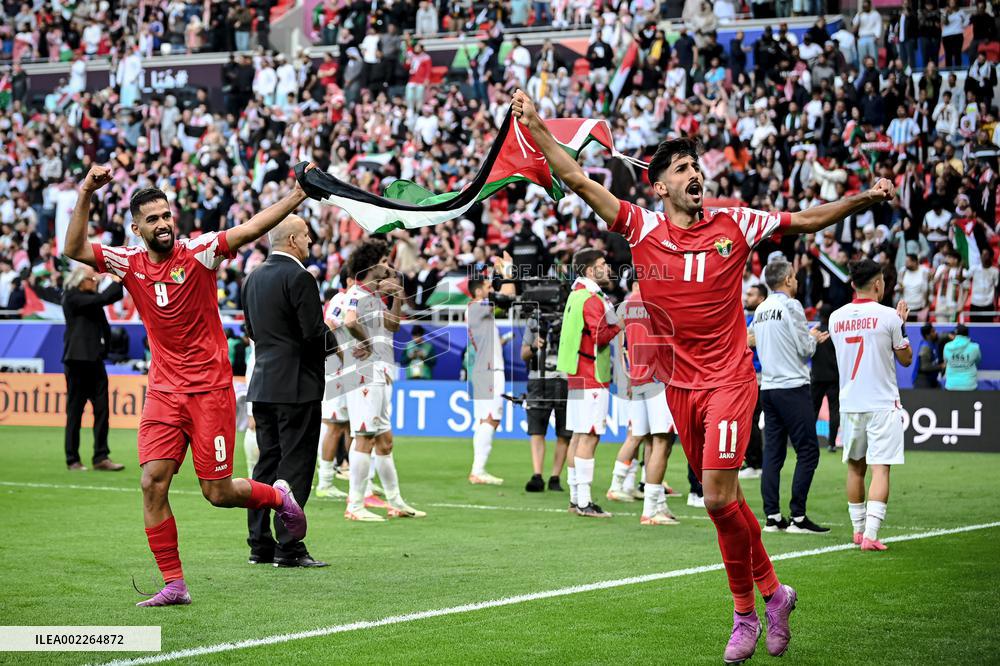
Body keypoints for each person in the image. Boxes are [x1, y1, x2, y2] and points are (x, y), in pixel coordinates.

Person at [512, 88, 895, 662]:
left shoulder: (736, 222)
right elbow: (579, 180)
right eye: (683, 169)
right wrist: (539, 129)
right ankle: (774, 593)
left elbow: (807, 219)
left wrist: (864, 197)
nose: (696, 174)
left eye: (697, 166)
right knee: (723, 503)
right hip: (679, 386)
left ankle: (744, 613)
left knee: (717, 495)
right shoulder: (640, 227)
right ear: (659, 185)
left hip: (731, 380)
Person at [62, 164, 309, 607]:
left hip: (210, 390)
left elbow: (251, 227)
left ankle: (278, 496)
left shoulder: (199, 252)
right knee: (151, 482)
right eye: (152, 219)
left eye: (166, 215)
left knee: (216, 493)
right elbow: (73, 247)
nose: (163, 224)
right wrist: (85, 191)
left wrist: (297, 194)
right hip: (163, 392)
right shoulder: (128, 262)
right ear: (136, 228)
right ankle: (174, 583)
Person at [243, 215, 338, 569]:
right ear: (294, 240)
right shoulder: (299, 277)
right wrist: (337, 338)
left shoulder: (252, 278)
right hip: (297, 387)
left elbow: (251, 330)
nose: (311, 242)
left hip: (264, 383)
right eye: (308, 236)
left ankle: (259, 544)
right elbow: (313, 334)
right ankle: (289, 546)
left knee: (265, 464)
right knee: (295, 468)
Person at [829, 259, 912, 551]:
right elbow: (905, 359)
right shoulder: (890, 316)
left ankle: (857, 530)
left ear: (853, 284)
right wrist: (902, 325)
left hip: (850, 403)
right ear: (878, 284)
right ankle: (872, 535)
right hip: (881, 403)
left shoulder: (835, 318)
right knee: (880, 469)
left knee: (855, 469)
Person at [342, 239, 425, 521]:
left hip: (381, 372)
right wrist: (364, 342)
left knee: (385, 441)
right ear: (372, 264)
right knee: (364, 438)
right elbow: (350, 321)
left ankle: (395, 501)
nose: (389, 266)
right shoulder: (356, 293)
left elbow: (393, 325)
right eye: (385, 261)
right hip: (365, 374)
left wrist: (398, 296)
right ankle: (355, 506)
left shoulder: (375, 295)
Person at [749, 259, 829, 535]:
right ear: (787, 280)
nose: (796, 281)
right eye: (793, 277)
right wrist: (814, 338)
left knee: (773, 454)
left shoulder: (760, 309)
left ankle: (772, 516)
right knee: (808, 451)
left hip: (768, 387)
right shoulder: (791, 306)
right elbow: (805, 349)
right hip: (792, 386)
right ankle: (798, 517)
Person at [556, 248, 621, 518]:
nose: (607, 268)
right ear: (590, 269)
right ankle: (584, 501)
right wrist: (618, 322)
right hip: (593, 375)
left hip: (577, 374)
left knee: (578, 436)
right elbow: (600, 336)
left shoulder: (575, 294)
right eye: (603, 264)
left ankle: (575, 498)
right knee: (590, 436)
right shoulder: (592, 298)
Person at [608, 278, 680, 525]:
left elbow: (621, 342)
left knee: (648, 441)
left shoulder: (628, 304)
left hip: (637, 378)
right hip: (660, 378)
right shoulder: (658, 300)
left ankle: (657, 503)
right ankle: (650, 510)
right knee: (662, 442)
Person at [61, 265, 126, 472]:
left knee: (102, 410)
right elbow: (104, 299)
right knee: (75, 411)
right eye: (92, 279)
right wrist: (117, 281)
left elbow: (106, 310)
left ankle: (101, 456)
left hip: (95, 360)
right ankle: (72, 459)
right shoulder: (72, 297)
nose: (95, 282)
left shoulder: (90, 299)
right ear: (80, 280)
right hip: (78, 361)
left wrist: (105, 350)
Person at [466, 255, 516, 485]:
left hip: (482, 369)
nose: (490, 289)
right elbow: (508, 298)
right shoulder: (477, 307)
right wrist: (507, 272)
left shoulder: (476, 310)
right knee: (492, 419)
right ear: (478, 292)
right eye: (487, 286)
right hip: (490, 371)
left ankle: (478, 469)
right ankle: (478, 470)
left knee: (484, 420)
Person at [315, 277, 353, 499]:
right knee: (333, 424)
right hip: (338, 370)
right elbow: (328, 325)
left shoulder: (358, 299)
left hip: (349, 370)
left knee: (349, 425)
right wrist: (342, 356)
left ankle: (359, 480)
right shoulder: (341, 299)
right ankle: (325, 481)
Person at [811, 305, 840, 453]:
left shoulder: (814, 332)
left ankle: (809, 441)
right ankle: (832, 443)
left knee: (813, 409)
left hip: (817, 376)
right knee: (834, 409)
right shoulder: (836, 331)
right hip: (834, 376)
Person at [943, 324, 981, 391]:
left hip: (951, 385)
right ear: (967, 334)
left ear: (955, 334)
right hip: (970, 386)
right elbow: (978, 361)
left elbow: (945, 361)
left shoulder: (947, 346)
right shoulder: (975, 347)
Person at [896, 253, 932, 321]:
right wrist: (898, 289)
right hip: (905, 307)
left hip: (920, 307)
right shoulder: (902, 271)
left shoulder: (925, 272)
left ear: (915, 262)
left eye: (908, 262)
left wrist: (927, 307)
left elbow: (930, 290)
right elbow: (898, 285)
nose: (905, 264)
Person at [967, 248, 998, 322]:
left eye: (986, 255)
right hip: (975, 304)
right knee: (974, 329)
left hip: (988, 305)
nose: (983, 257)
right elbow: (962, 278)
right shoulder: (974, 269)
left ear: (991, 257)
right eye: (982, 255)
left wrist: (995, 306)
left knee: (987, 330)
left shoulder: (995, 271)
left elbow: (997, 290)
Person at [912, 322, 943, 388]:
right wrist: (940, 366)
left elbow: (942, 336)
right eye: (933, 331)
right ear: (927, 335)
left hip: (931, 378)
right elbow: (924, 366)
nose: (936, 332)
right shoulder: (925, 347)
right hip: (921, 380)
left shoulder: (933, 342)